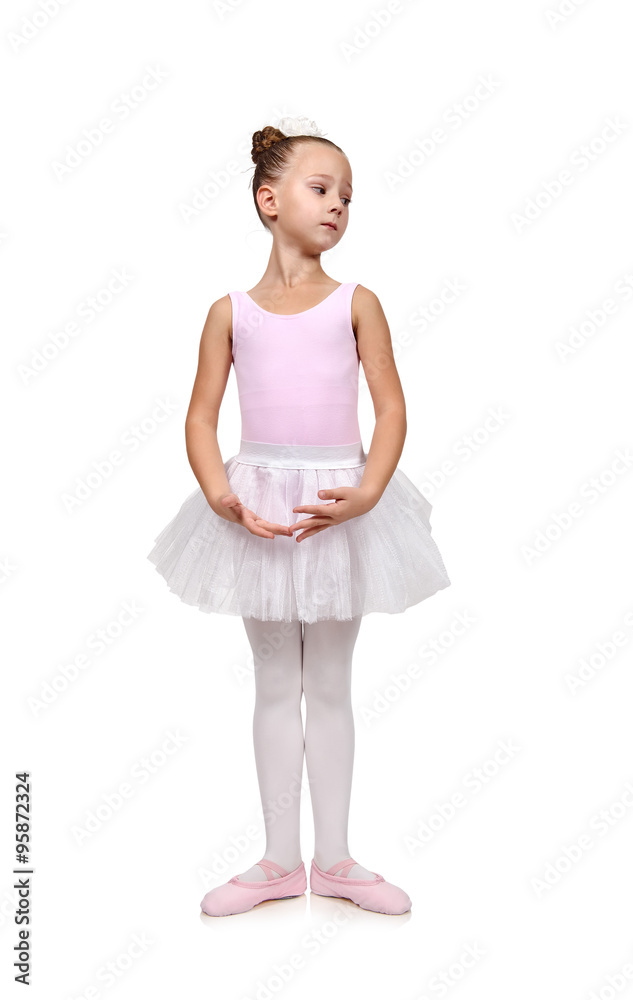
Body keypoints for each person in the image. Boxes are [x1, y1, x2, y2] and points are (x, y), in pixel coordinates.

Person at [147, 115, 451, 916]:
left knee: (332, 682)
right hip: (259, 507)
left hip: (337, 506)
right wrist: (218, 493)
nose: (338, 205)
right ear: (269, 199)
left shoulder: (357, 302)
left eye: (347, 195)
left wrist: (370, 490)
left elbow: (390, 409)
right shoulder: (229, 312)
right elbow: (199, 416)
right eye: (322, 189)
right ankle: (280, 861)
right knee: (275, 681)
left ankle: (337, 859)